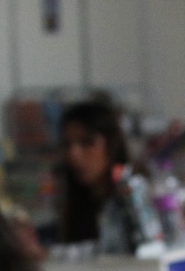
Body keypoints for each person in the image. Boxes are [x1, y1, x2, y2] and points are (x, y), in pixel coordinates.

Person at [57, 100, 138, 249]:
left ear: (111, 145)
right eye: (67, 144)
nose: (73, 154)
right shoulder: (74, 208)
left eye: (87, 142)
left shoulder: (135, 199)